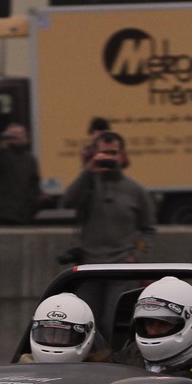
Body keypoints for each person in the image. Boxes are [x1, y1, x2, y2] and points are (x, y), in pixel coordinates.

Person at [60, 132, 156, 344]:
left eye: (113, 153)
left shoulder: (136, 190)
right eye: (104, 152)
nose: (109, 158)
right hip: (89, 268)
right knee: (86, 323)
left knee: (112, 322)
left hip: (122, 269)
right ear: (94, 154)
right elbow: (67, 202)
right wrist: (88, 171)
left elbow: (148, 229)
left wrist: (136, 253)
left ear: (122, 155)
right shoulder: (88, 185)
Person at [0, 123, 42, 225]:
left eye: (20, 134)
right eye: (13, 134)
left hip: (23, 213)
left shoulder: (30, 159)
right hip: (2, 212)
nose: (17, 137)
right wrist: (2, 146)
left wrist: (32, 204)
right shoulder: (1, 155)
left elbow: (34, 183)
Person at [21, 294, 97, 364]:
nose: (55, 340)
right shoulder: (19, 373)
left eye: (63, 335)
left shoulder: (101, 373)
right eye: (49, 333)